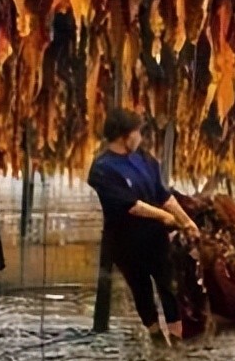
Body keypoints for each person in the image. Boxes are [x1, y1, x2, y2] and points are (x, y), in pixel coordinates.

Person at [87, 107, 203, 345]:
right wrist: (163, 217)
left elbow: (164, 194)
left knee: (168, 286)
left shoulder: (144, 158)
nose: (140, 137)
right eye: (137, 132)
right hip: (125, 241)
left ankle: (176, 339)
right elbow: (130, 205)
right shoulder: (102, 168)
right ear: (124, 135)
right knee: (142, 292)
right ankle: (156, 337)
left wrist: (185, 221)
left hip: (155, 238)